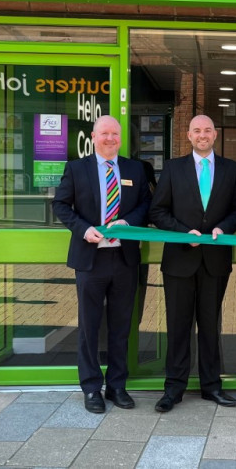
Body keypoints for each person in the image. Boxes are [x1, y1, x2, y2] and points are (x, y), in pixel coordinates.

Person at [52, 116, 152, 414]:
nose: (110, 139)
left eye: (115, 134)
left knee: (122, 326)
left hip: (124, 258)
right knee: (90, 326)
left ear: (121, 138)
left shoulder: (135, 169)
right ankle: (92, 387)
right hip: (90, 259)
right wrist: (83, 229)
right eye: (105, 133)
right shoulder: (77, 168)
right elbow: (59, 204)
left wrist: (127, 221)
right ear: (93, 137)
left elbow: (146, 204)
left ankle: (117, 386)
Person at [149, 115, 236, 413]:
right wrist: (182, 233)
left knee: (209, 325)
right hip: (179, 259)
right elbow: (157, 211)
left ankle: (211, 386)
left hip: (215, 260)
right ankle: (173, 388)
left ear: (214, 134)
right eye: (196, 131)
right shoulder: (173, 168)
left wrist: (223, 229)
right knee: (178, 326)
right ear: (188, 135)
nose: (202, 135)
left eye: (207, 130)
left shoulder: (232, 169)